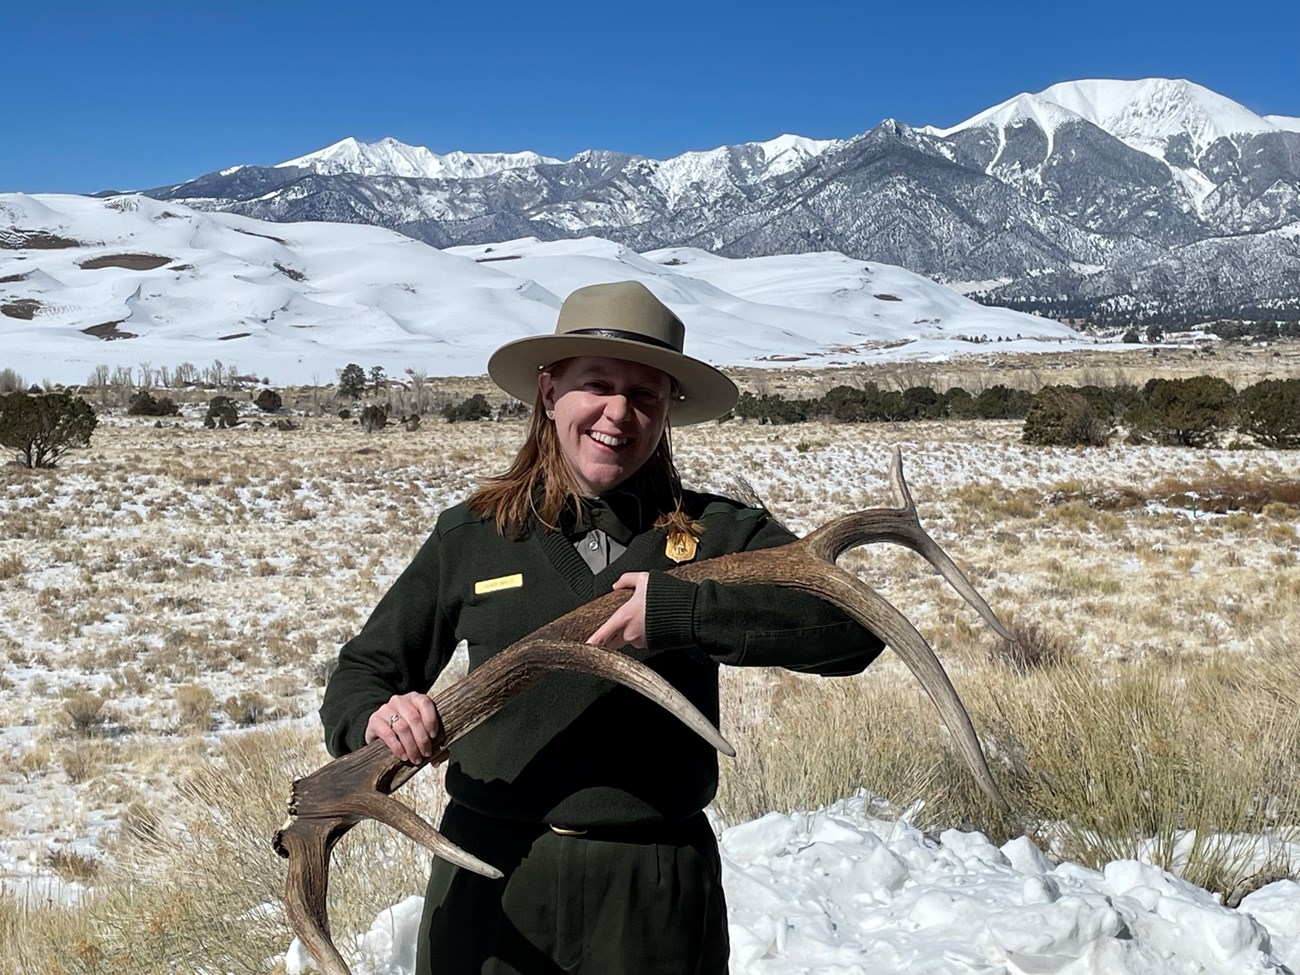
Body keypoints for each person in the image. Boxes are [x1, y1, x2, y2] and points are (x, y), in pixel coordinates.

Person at [320, 280, 885, 975]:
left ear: (669, 409)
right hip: (489, 880)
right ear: (550, 391)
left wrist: (684, 612)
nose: (620, 413)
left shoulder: (721, 533)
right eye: (597, 384)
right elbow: (359, 675)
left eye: (646, 394)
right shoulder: (474, 536)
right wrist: (379, 717)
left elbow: (854, 629)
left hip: (653, 890)